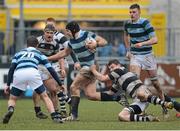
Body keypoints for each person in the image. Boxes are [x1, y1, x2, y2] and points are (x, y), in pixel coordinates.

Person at [48, 21, 112, 121]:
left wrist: (95, 44)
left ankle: (73, 115)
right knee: (91, 95)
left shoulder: (86, 35)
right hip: (87, 67)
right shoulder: (71, 41)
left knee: (73, 87)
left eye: (68, 31)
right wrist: (48, 58)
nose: (67, 33)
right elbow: (64, 53)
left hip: (91, 66)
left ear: (73, 30)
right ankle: (117, 97)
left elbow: (104, 42)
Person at [2, 36, 63, 124]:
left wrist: (8, 85)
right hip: (33, 72)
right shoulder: (39, 53)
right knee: (45, 96)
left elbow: (12, 69)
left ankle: (11, 109)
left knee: (13, 98)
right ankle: (54, 116)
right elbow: (51, 69)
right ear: (37, 45)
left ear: (27, 44)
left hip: (19, 73)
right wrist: (60, 83)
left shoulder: (18, 53)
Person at [90, 59, 176, 122]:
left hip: (143, 92)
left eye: (112, 67)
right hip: (139, 102)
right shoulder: (117, 81)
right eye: (110, 69)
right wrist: (94, 95)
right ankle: (148, 118)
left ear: (118, 65)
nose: (112, 70)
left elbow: (102, 78)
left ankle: (164, 103)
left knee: (140, 94)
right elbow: (110, 93)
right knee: (121, 116)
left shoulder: (119, 70)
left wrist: (93, 70)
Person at [124, 3, 168, 116]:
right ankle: (140, 109)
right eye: (130, 12)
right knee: (135, 82)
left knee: (156, 83)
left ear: (139, 12)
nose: (131, 14)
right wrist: (128, 50)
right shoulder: (127, 23)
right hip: (135, 56)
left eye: (134, 12)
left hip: (148, 55)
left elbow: (155, 39)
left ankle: (164, 104)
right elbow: (125, 35)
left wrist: (142, 43)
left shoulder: (145, 22)